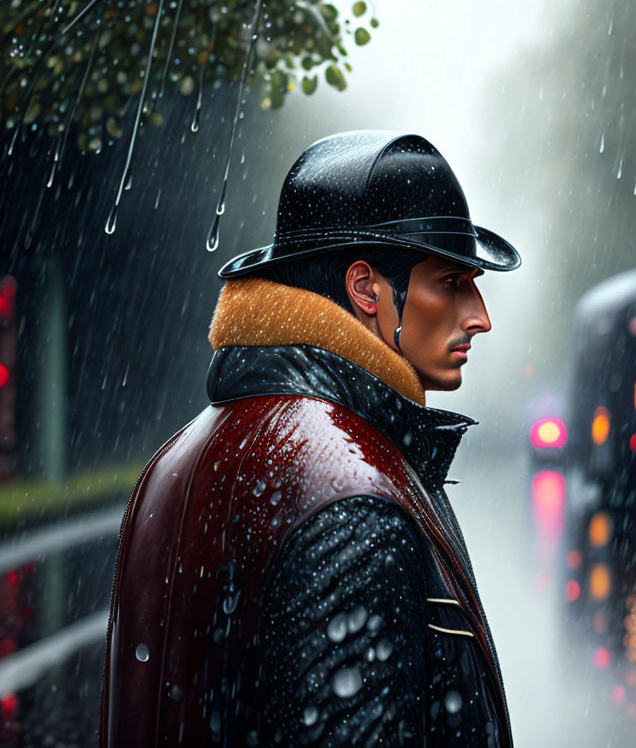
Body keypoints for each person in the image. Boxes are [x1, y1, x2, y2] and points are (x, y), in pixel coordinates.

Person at [101, 130, 521, 747]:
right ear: (365, 289)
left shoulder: (176, 457)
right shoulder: (352, 491)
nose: (481, 315)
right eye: (453, 283)